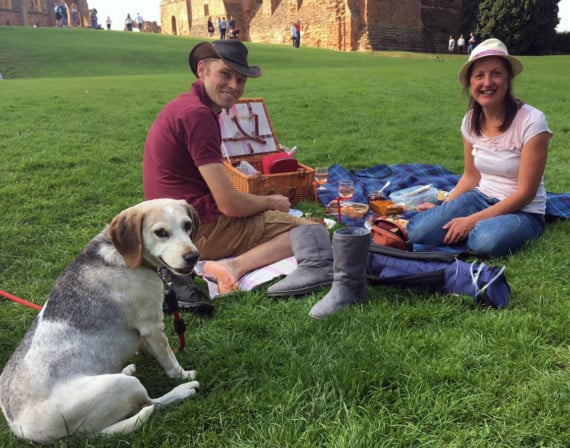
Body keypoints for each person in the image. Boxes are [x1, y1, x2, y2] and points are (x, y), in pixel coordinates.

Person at [143, 40, 335, 300]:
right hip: (194, 231)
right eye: (225, 74)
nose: (234, 86)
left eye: (241, 79)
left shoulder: (187, 105)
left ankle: (232, 262)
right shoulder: (198, 115)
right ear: (202, 70)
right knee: (312, 232)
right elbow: (229, 204)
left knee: (288, 222)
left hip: (169, 224)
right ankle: (233, 267)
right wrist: (270, 202)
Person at [407, 38, 552, 258]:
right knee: (418, 231)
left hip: (523, 211)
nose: (487, 83)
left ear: (508, 79)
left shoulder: (532, 121)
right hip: (481, 197)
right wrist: (446, 206)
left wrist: (471, 221)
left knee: (483, 241)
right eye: (479, 76)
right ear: (470, 83)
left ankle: (479, 228)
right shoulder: (470, 121)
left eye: (496, 74)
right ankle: (471, 226)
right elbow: (471, 176)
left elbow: (526, 193)